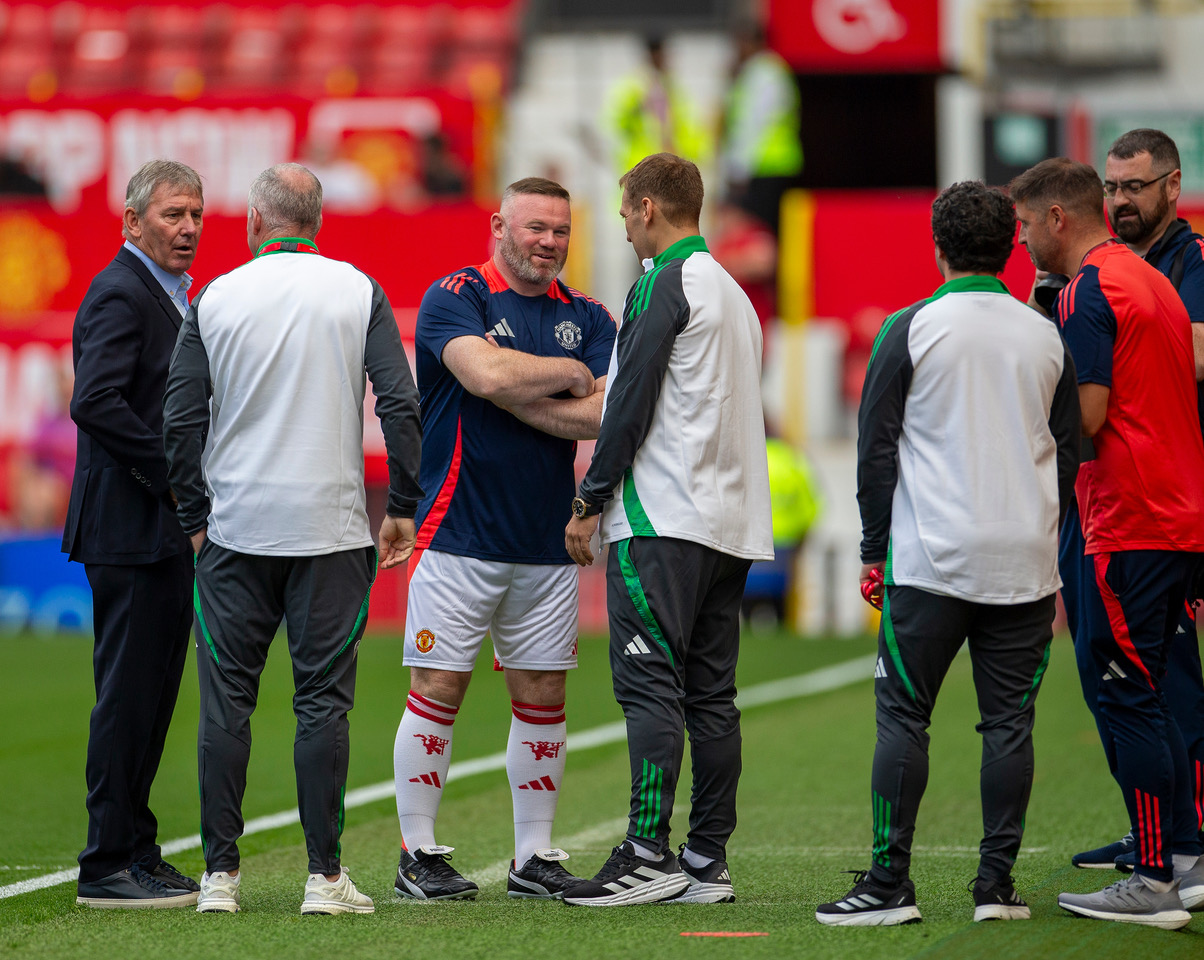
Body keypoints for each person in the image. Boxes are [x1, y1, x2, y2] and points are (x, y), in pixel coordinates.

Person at [814, 181, 1080, 926]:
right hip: (1024, 561)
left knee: (904, 717)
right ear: (1011, 247)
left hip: (930, 560)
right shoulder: (1045, 334)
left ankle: (888, 885)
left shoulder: (910, 326)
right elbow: (1067, 452)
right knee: (1009, 726)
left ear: (937, 247)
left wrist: (873, 549)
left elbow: (875, 448)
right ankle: (996, 889)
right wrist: (1040, 526)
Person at [162, 163, 423, 916]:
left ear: (253, 221)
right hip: (330, 531)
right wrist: (402, 505)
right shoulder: (355, 287)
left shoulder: (214, 295)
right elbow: (400, 404)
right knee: (322, 707)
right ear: (317, 222)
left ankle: (219, 878)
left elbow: (180, 419)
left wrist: (194, 518)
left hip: (235, 532)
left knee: (226, 707)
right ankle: (324, 877)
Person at [392, 177, 615, 902]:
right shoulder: (455, 295)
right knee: (438, 687)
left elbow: (605, 416)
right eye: (535, 228)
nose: (548, 242)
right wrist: (567, 375)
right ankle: (417, 854)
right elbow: (484, 373)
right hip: (455, 533)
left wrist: (520, 392)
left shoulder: (590, 315)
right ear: (498, 226)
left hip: (547, 541)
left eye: (561, 231)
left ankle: (532, 859)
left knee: (544, 695)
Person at [563, 152, 773, 906]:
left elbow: (630, 401)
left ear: (648, 207)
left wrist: (590, 498)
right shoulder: (735, 294)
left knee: (649, 684)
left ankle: (647, 853)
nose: (623, 226)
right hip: (730, 521)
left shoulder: (663, 282)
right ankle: (705, 861)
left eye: (625, 211)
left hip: (662, 517)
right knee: (712, 697)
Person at [1011, 157, 1204, 927]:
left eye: (1025, 225)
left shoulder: (1089, 288)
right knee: (1155, 689)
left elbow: (1087, 417)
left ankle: (1153, 881)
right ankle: (1183, 858)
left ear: (1056, 218)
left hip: (1128, 520)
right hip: (1174, 515)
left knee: (1127, 691)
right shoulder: (1147, 277)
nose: (1022, 242)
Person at [63, 159, 204, 909]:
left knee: (150, 698)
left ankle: (137, 850)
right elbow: (96, 401)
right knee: (127, 698)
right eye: (173, 214)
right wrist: (173, 475)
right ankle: (105, 863)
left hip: (155, 528)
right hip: (129, 525)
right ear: (132, 222)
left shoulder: (163, 292)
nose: (188, 228)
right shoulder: (121, 290)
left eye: (195, 215)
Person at [1063, 129, 1204, 873]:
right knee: (1108, 673)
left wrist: (1107, 343)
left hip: (1161, 494)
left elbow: (1192, 347)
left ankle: (1184, 842)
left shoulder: (1188, 261)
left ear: (1172, 187)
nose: (1121, 200)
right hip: (1107, 494)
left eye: (1135, 187)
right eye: (1112, 188)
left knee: (1163, 677)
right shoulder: (1103, 271)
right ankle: (1154, 827)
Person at [721, 23, 803, 236]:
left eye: (742, 42)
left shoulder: (761, 73)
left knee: (760, 232)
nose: (738, 48)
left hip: (765, 165)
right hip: (771, 164)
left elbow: (752, 124)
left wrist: (737, 168)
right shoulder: (768, 70)